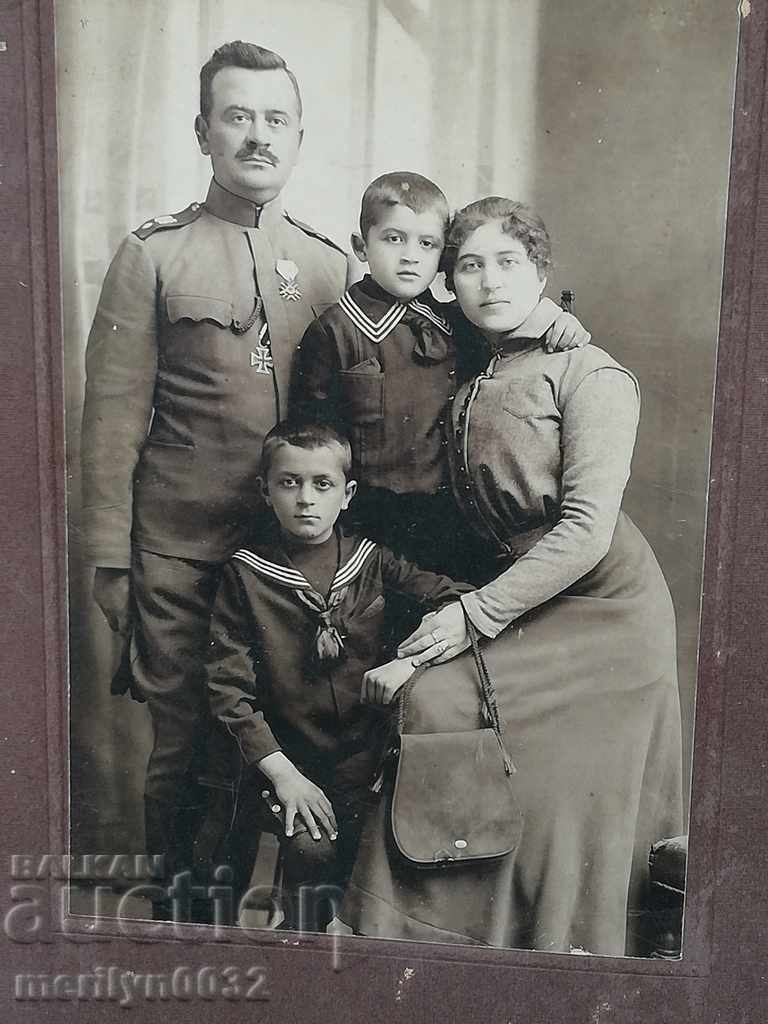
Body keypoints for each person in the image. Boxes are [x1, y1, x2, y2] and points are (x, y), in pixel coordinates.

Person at [341, 198, 684, 957]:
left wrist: (469, 617)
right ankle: (433, 946)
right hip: (523, 590)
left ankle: (535, 946)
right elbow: (381, 301)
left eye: (510, 263)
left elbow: (587, 530)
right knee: (433, 713)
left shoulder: (592, 374)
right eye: (470, 265)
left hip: (601, 608)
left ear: (541, 271)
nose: (491, 281)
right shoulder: (476, 354)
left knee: (446, 706)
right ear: (447, 280)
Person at [80, 40, 348, 915]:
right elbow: (111, 427)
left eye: (276, 120)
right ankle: (189, 937)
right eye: (238, 117)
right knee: (187, 748)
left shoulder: (327, 265)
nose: (258, 136)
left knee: (276, 746)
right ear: (203, 132)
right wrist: (112, 565)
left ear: (300, 137)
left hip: (288, 563)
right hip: (182, 556)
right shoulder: (154, 256)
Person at [200, 419, 472, 930]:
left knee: (398, 862)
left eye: (321, 484)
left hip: (371, 759)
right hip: (293, 763)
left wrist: (409, 661)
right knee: (314, 854)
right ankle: (298, 952)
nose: (306, 498)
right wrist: (285, 777)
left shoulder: (374, 562)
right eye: (289, 482)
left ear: (346, 495)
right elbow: (228, 690)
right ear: (265, 490)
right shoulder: (244, 575)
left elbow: (456, 603)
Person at [293, 172, 590, 576]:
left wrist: (555, 317)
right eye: (394, 239)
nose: (411, 256)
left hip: (456, 520)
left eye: (427, 243)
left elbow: (512, 323)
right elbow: (313, 440)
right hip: (367, 521)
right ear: (361, 247)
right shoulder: (334, 331)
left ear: (441, 259)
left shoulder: (458, 324)